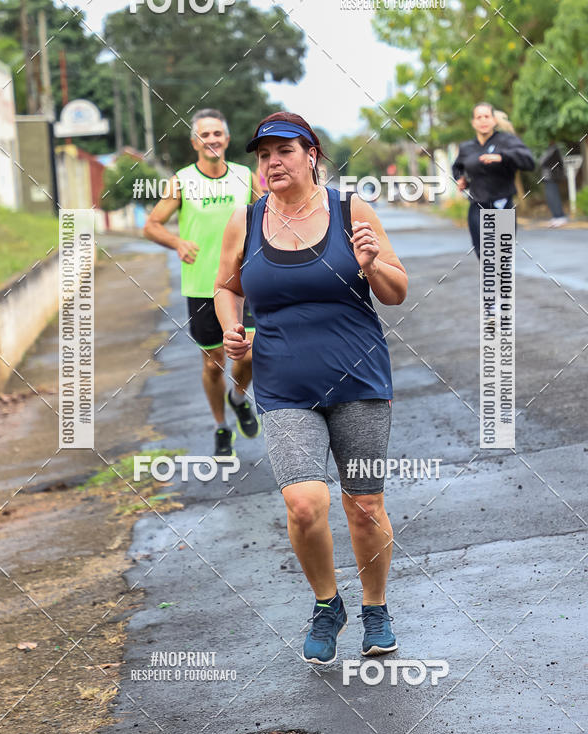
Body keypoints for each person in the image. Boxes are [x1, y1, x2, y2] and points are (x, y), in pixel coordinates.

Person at [214, 112, 408, 665]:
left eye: (284, 151)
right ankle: (328, 603)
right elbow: (226, 287)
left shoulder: (351, 211)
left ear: (311, 154)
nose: (272, 162)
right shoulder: (246, 220)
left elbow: (396, 292)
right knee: (304, 504)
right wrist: (232, 326)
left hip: (361, 381)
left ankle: (375, 608)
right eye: (263, 154)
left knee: (365, 504)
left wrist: (371, 266)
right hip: (283, 385)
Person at [144, 108, 262, 458]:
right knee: (214, 364)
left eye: (217, 133)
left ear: (226, 139)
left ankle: (238, 397)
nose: (211, 139)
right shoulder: (181, 180)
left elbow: (268, 214)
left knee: (251, 353)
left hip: (244, 283)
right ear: (195, 141)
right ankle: (221, 426)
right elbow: (151, 225)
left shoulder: (245, 176)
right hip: (201, 287)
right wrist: (178, 243)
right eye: (204, 134)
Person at [452, 102, 535, 257]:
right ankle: (493, 281)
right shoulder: (466, 147)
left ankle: (501, 281)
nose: (483, 120)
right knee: (484, 256)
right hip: (478, 207)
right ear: (473, 122)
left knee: (502, 258)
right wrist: (461, 179)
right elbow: (457, 167)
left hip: (502, 204)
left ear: (494, 120)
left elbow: (529, 161)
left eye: (487, 116)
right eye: (479, 117)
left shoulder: (506, 141)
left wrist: (502, 157)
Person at [539, 142, 568, 227]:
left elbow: (543, 162)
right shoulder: (549, 150)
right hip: (547, 177)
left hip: (552, 177)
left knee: (554, 197)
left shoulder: (554, 149)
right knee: (550, 197)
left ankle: (560, 217)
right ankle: (556, 216)